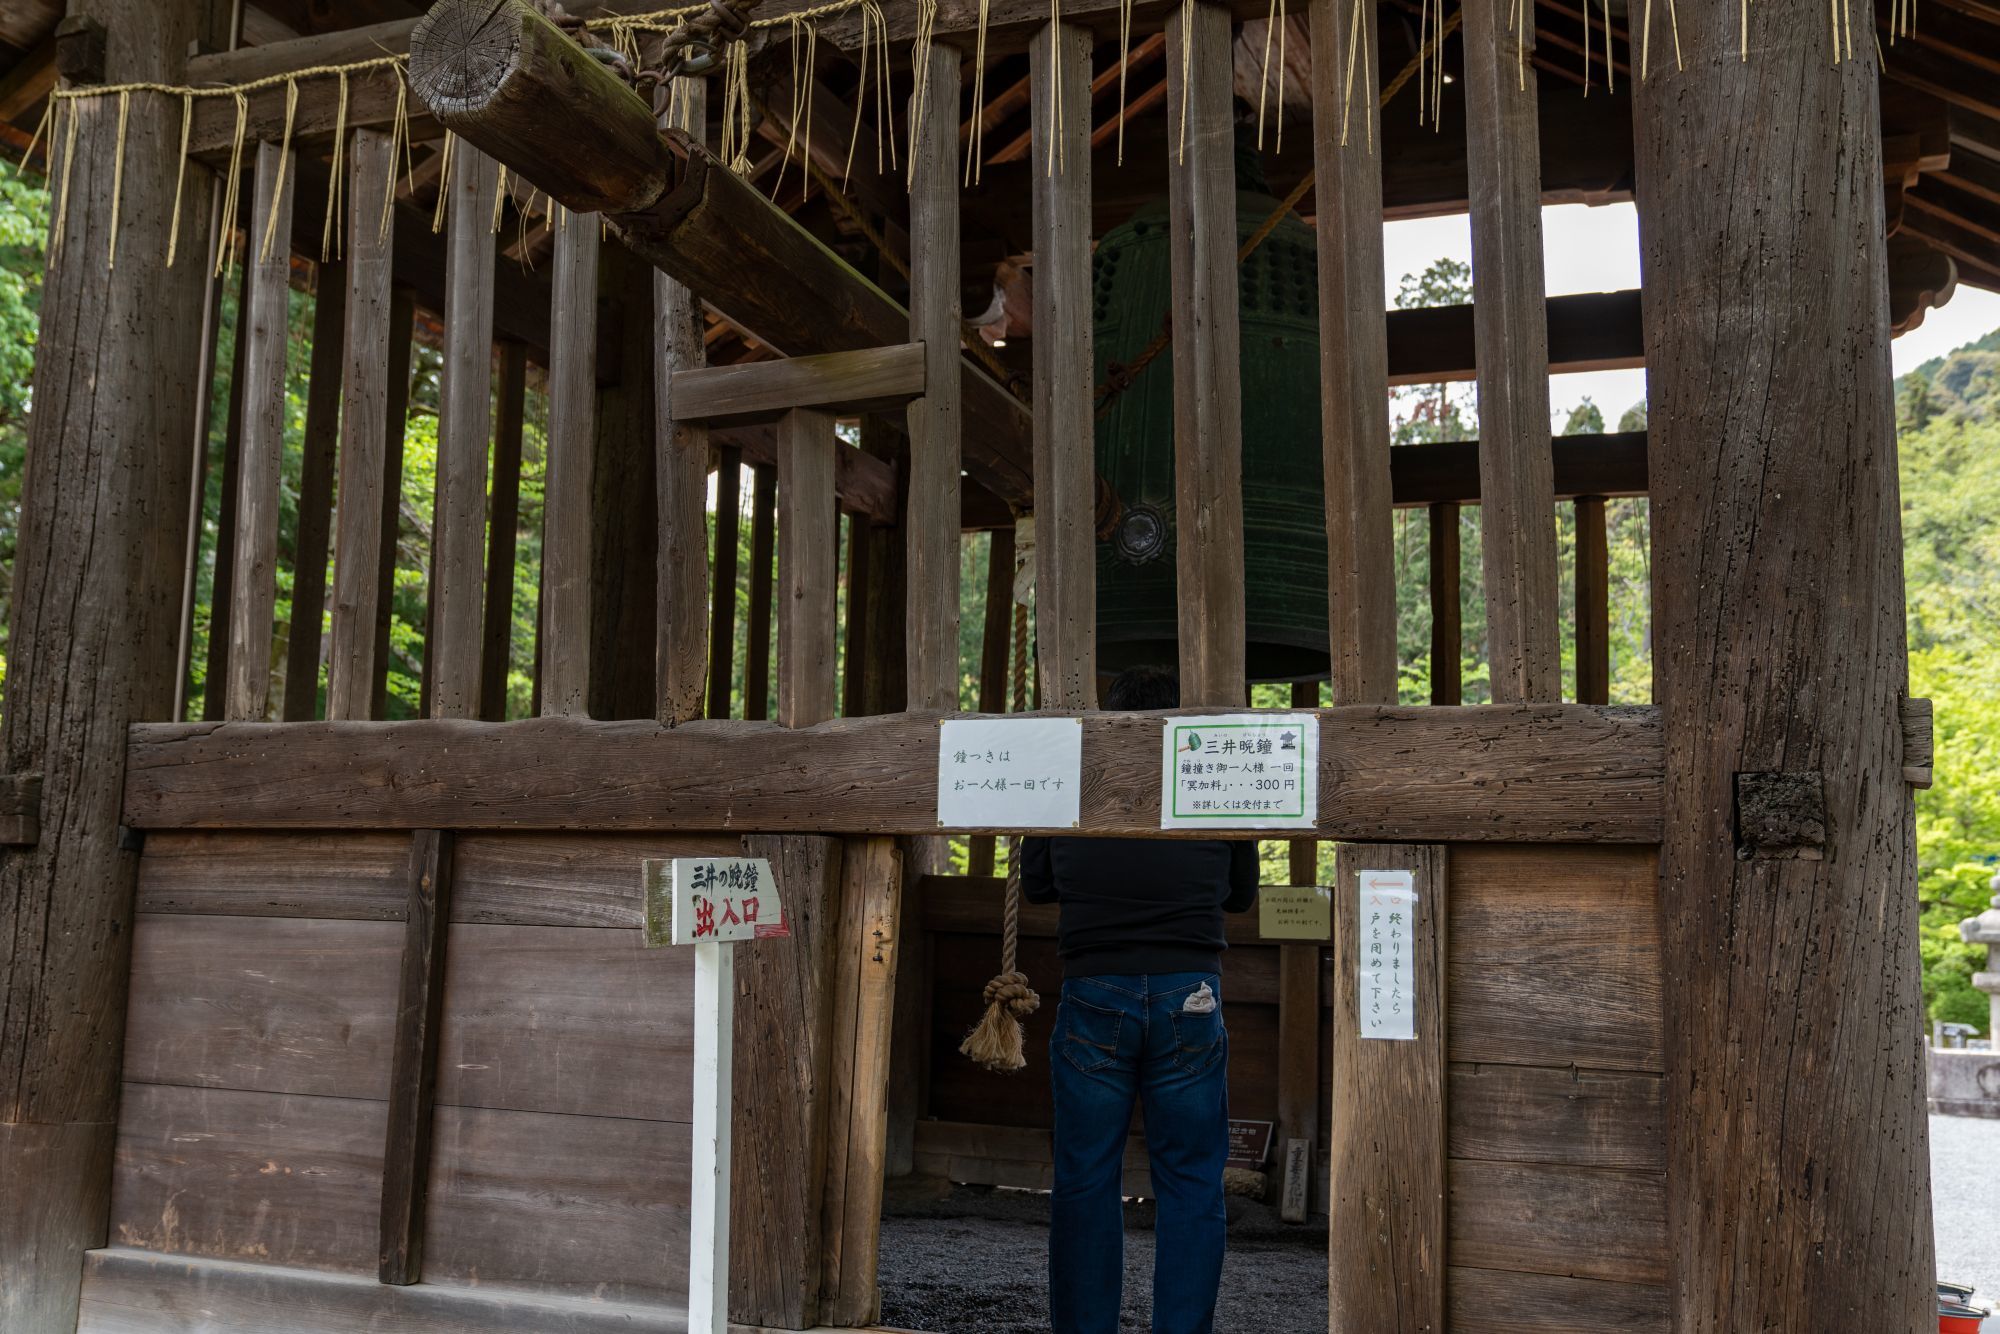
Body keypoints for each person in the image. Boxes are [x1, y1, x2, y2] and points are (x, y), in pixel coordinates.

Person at [1019, 665, 1259, 1334]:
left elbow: (1036, 883)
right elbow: (1240, 897)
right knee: (1190, 1181)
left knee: (1085, 1180)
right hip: (1191, 992)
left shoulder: (1076, 776)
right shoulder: (1214, 779)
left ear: (1113, 721)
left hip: (1096, 989)